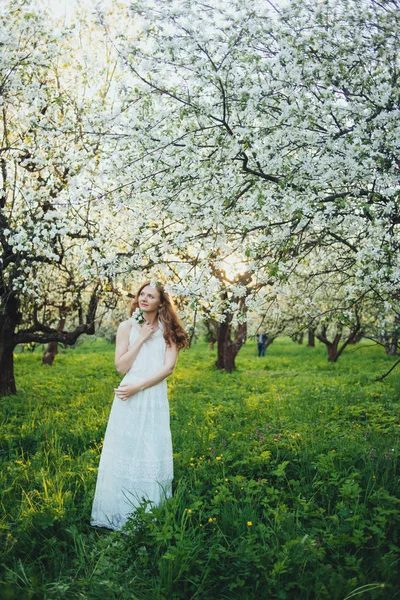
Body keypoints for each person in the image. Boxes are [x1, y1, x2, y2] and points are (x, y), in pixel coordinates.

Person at [90, 281, 189, 531]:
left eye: (151, 296)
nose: (144, 299)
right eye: (142, 294)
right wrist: (141, 338)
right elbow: (122, 367)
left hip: (151, 393)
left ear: (161, 302)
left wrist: (140, 386)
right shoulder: (126, 326)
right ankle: (120, 510)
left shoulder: (169, 330)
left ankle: (148, 511)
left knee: (150, 448)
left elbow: (168, 368)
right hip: (127, 394)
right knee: (126, 448)